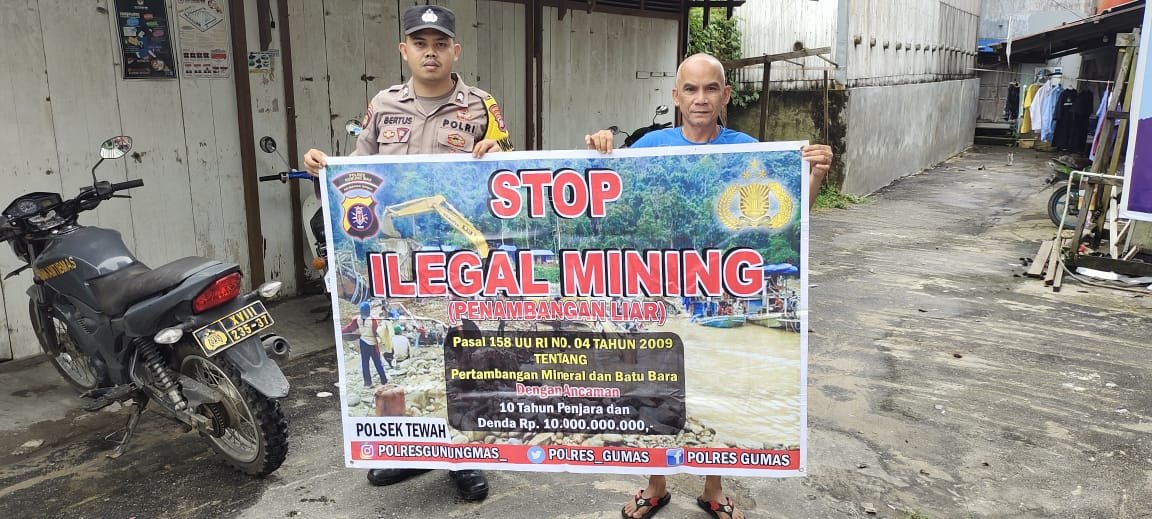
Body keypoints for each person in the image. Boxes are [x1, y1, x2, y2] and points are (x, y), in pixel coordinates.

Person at [586, 53, 833, 519]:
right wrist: (600, 146)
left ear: (725, 95)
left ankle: (713, 489)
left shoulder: (749, 151)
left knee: (719, 388)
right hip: (661, 284)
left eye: (711, 88)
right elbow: (606, 193)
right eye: (691, 89)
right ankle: (655, 485)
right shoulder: (648, 147)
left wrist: (814, 176)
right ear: (676, 97)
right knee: (654, 384)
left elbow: (789, 218)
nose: (701, 99)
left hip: (719, 277)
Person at [302, 3, 508, 502]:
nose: (430, 53)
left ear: (455, 50)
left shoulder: (482, 105)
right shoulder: (383, 104)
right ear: (404, 50)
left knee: (458, 352)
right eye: (420, 44)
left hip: (455, 258)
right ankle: (411, 449)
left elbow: (504, 167)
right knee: (402, 355)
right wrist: (323, 168)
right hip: (395, 261)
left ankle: (463, 455)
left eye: (440, 44)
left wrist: (497, 155)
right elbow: (360, 169)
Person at [341, 302, 389, 386]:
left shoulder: (357, 319)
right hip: (372, 344)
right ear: (369, 310)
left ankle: (367, 383)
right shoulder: (373, 320)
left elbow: (350, 328)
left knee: (365, 363)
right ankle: (384, 381)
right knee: (377, 362)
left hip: (363, 342)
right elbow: (376, 332)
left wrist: (341, 331)